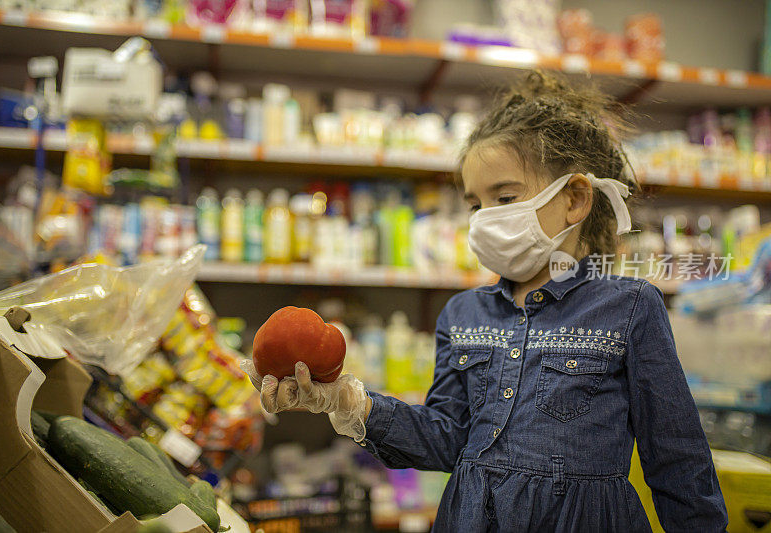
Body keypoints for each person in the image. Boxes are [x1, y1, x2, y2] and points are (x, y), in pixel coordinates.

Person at [240, 70, 728, 532]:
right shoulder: (463, 314)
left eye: (505, 197)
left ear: (576, 199)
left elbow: (677, 456)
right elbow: (447, 437)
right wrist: (348, 404)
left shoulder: (629, 306)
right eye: (474, 204)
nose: (483, 219)